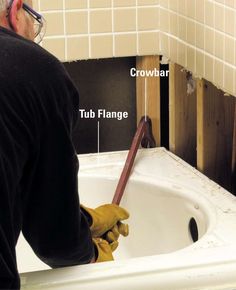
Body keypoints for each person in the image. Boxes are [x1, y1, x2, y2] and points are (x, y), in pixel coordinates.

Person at [0, 0, 129, 289]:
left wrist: (81, 219)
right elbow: (54, 238)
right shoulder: (33, 68)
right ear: (16, 11)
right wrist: (91, 253)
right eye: (35, 20)